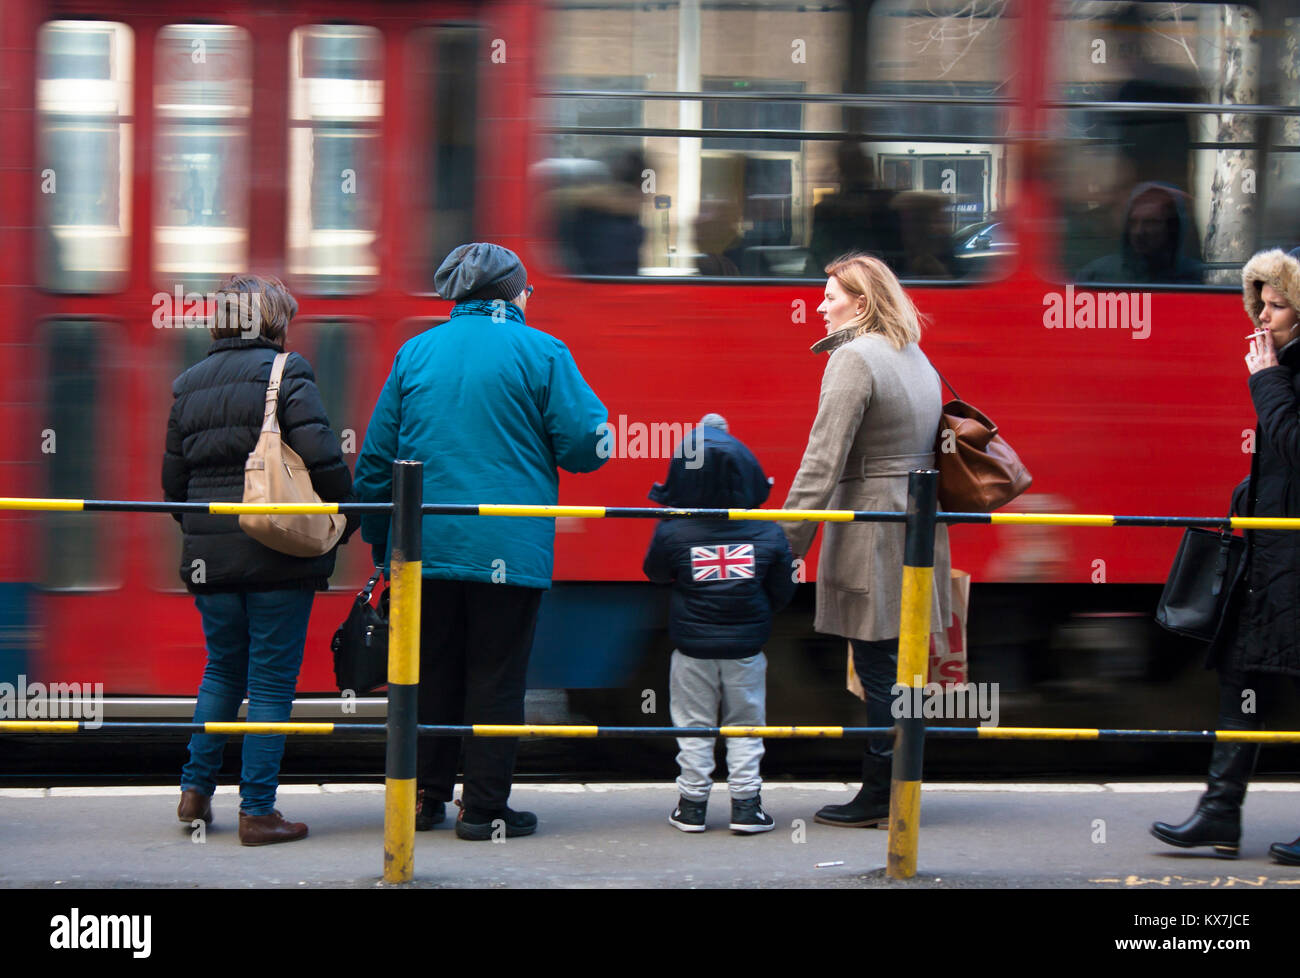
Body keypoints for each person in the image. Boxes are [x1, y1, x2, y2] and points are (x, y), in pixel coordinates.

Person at [354, 242, 607, 840]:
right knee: (496, 678)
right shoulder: (543, 353)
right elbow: (584, 445)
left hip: (424, 550)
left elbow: (374, 463)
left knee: (428, 675)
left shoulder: (414, 353)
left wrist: (380, 542)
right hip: (511, 551)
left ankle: (421, 801)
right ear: (514, 295)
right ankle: (485, 809)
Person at [163, 274, 356, 846]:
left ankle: (194, 794)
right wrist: (345, 519)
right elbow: (322, 456)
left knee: (221, 668)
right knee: (271, 679)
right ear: (272, 320)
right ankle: (258, 812)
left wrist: (202, 533)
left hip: (211, 555)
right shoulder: (286, 372)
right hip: (278, 553)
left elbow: (172, 483)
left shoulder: (187, 384)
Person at [781, 252, 952, 828]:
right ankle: (899, 784)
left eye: (831, 296)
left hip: (874, 525)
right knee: (902, 669)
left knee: (880, 667)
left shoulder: (854, 358)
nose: (820, 307)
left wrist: (785, 544)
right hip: (918, 525)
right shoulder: (915, 356)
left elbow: (822, 460)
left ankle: (882, 793)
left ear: (861, 301)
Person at [1152, 247, 1300, 864]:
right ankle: (1218, 815)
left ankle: (1219, 813)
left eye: (1280, 305)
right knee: (1242, 679)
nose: (1264, 318)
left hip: (1293, 560)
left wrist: (1265, 380)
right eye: (1260, 305)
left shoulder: (1283, 372)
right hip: (1269, 558)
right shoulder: (1285, 365)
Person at [643, 414, 796, 834]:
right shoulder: (768, 534)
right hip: (746, 649)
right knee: (746, 724)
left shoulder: (673, 533)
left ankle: (691, 807)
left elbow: (655, 574)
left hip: (691, 649)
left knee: (693, 724)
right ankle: (747, 807)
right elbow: (783, 590)